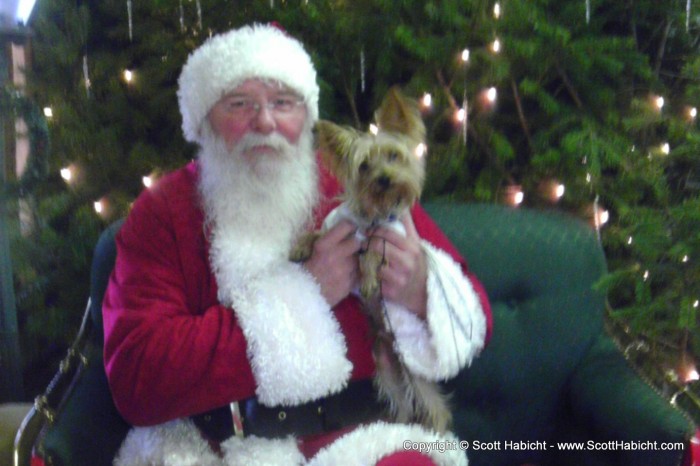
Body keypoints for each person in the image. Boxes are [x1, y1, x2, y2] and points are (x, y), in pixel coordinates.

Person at [103, 23, 492, 466]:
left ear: (305, 116)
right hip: (221, 449)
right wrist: (304, 291)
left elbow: (475, 312)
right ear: (203, 119)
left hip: (363, 439)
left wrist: (420, 286)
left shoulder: (356, 182)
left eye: (283, 103)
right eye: (240, 104)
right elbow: (139, 376)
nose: (265, 122)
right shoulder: (163, 212)